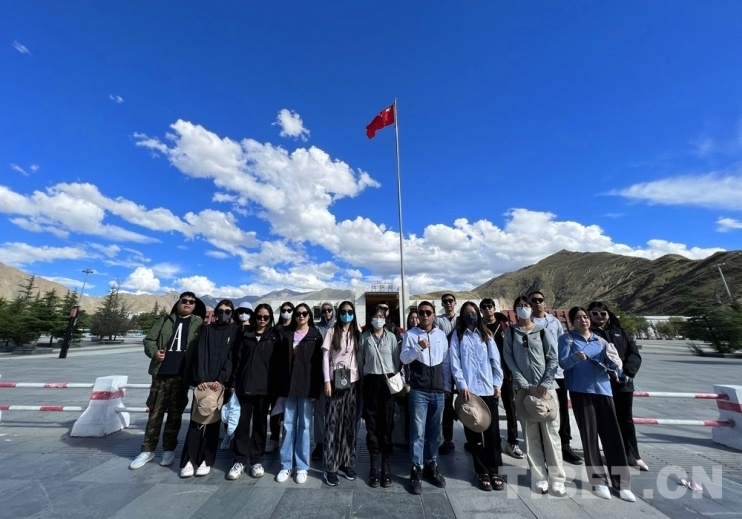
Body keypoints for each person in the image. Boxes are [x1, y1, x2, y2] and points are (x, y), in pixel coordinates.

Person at [558, 307, 636, 502]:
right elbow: (563, 364)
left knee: (613, 437)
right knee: (589, 437)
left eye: (585, 317)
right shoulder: (567, 339)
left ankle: (621, 483)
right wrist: (576, 357)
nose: (583, 320)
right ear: (572, 321)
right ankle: (598, 480)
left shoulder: (600, 341)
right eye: (578, 318)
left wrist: (615, 364)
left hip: (603, 390)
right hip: (580, 391)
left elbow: (613, 366)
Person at [130, 292, 203, 470]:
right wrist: (154, 352)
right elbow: (149, 340)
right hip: (161, 374)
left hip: (181, 376)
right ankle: (147, 450)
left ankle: (169, 449)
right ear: (178, 303)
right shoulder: (165, 321)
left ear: (194, 306)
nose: (187, 303)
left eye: (191, 302)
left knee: (175, 414)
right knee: (155, 413)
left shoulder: (198, 323)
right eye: (184, 301)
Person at [503, 295, 566, 497]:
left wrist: (546, 381)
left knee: (551, 433)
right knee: (530, 436)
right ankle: (539, 477)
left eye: (526, 305)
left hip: (545, 389)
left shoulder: (542, 331)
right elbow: (508, 357)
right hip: (524, 389)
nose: (524, 308)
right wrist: (520, 380)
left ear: (531, 309)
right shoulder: (511, 332)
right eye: (520, 306)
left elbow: (552, 358)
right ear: (515, 310)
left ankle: (557, 479)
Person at [449, 302, 505, 491]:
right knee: (474, 433)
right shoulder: (458, 335)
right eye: (467, 313)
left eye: (473, 312)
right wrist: (461, 384)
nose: (470, 316)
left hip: (488, 389)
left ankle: (495, 470)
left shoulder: (486, 334)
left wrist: (497, 384)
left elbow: (495, 361)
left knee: (493, 433)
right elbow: (455, 362)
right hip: (469, 392)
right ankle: (482, 471)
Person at [179, 299, 237, 477]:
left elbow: (232, 357)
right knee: (197, 420)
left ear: (231, 314)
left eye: (227, 311)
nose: (223, 314)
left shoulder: (234, 331)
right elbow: (200, 354)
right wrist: (201, 378)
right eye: (220, 311)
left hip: (220, 385)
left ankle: (206, 459)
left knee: (213, 422)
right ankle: (188, 460)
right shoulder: (207, 329)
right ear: (215, 313)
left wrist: (222, 379)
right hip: (203, 383)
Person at [587, 301, 647, 471]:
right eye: (595, 313)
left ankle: (633, 455)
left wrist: (628, 372)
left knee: (626, 419)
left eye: (603, 313)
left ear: (609, 315)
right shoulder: (589, 334)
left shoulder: (620, 332)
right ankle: (612, 454)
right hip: (601, 383)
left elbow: (634, 354)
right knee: (606, 420)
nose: (599, 316)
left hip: (623, 383)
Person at [227, 303, 282, 481]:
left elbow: (276, 364)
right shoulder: (246, 336)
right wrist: (233, 383)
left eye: (266, 317)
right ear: (254, 317)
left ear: (270, 318)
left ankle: (257, 460)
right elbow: (237, 361)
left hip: (264, 389)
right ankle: (239, 460)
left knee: (260, 425)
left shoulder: (274, 337)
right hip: (244, 386)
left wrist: (276, 387)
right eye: (259, 316)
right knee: (242, 424)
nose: (262, 320)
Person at [400, 300, 450, 494]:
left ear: (434, 315)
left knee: (435, 432)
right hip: (419, 390)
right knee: (418, 432)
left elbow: (446, 362)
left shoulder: (440, 335)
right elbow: (404, 358)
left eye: (428, 312)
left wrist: (447, 386)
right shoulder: (410, 335)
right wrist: (418, 348)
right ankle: (416, 468)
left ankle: (431, 464)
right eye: (421, 312)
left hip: (437, 390)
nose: (425, 315)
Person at [529, 290, 583, 466]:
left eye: (540, 300)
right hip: (539, 373)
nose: (537, 303)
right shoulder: (528, 323)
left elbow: (562, 344)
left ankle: (564, 444)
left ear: (545, 303)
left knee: (561, 409)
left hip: (557, 372)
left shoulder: (554, 322)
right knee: (542, 408)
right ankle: (545, 445)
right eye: (534, 300)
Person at [274, 303, 324, 484]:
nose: (301, 316)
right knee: (288, 426)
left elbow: (318, 365)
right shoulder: (287, 335)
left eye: (304, 313)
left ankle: (302, 466)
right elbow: (280, 363)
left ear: (309, 316)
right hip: (288, 387)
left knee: (304, 426)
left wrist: (315, 390)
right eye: (298, 314)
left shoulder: (315, 336)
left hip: (306, 387)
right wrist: (280, 388)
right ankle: (286, 464)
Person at [359, 306, 401, 488]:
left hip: (387, 383)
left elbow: (396, 360)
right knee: (371, 425)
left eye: (381, 316)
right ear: (371, 318)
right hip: (370, 382)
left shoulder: (391, 337)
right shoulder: (364, 338)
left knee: (386, 424)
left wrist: (393, 377)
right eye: (375, 316)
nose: (378, 319)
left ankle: (385, 465)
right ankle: (373, 465)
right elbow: (360, 360)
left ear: (385, 319)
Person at [321, 301, 361, 486]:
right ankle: (330, 466)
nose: (347, 314)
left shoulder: (356, 332)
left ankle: (346, 462)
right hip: (335, 382)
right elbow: (325, 357)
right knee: (332, 424)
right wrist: (326, 381)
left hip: (352, 382)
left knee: (349, 424)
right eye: (343, 311)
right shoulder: (332, 332)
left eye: (350, 311)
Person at [480, 298, 523, 460]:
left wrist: (514, 371)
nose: (487, 309)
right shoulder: (479, 328)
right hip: (487, 375)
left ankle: (512, 442)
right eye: (484, 307)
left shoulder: (505, 327)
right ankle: (493, 441)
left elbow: (514, 350)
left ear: (494, 308)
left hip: (506, 374)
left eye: (489, 306)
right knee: (490, 410)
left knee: (511, 409)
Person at [266, 301, 295, 453]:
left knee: (290, 411)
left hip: (291, 375)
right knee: (275, 409)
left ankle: (288, 441)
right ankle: (274, 439)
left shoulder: (296, 329)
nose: (286, 312)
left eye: (289, 310)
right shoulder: (275, 330)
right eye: (283, 310)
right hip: (275, 375)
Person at [434, 293, 458, 456]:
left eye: (450, 301)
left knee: (467, 400)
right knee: (447, 402)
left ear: (455, 303)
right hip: (444, 365)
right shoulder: (438, 320)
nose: (448, 303)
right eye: (445, 301)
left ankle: (473, 435)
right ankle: (448, 438)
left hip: (461, 364)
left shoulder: (460, 320)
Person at [311, 302, 336, 462]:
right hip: (320, 375)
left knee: (334, 410)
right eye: (324, 310)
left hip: (336, 375)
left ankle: (332, 441)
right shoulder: (316, 329)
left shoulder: (339, 328)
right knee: (319, 412)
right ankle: (319, 443)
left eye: (329, 310)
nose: (327, 313)